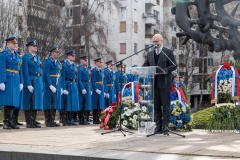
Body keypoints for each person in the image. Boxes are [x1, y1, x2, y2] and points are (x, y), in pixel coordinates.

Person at [142, 34, 177, 133]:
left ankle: (166, 126)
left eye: (156, 41)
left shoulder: (168, 52)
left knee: (165, 106)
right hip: (154, 83)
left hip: (165, 83)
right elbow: (145, 65)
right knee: (156, 106)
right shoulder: (150, 54)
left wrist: (164, 70)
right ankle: (158, 126)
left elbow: (174, 65)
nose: (154, 43)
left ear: (161, 41)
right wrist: (138, 70)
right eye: (153, 42)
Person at [0, 37, 23, 129]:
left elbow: (19, 69)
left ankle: (11, 121)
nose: (15, 45)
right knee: (7, 101)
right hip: (8, 80)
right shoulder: (4, 54)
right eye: (13, 43)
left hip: (16, 80)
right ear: (8, 44)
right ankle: (6, 121)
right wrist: (1, 81)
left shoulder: (17, 56)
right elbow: (1, 68)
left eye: (15, 43)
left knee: (14, 102)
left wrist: (21, 82)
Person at [22, 40, 43, 128]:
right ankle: (28, 121)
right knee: (28, 101)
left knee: (35, 101)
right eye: (33, 45)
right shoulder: (26, 58)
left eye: (36, 45)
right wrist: (28, 84)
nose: (35, 47)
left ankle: (33, 120)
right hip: (30, 81)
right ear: (29, 47)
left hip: (37, 81)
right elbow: (25, 72)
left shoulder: (37, 58)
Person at [43, 47, 63, 127]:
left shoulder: (58, 63)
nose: (58, 53)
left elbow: (59, 75)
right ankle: (47, 120)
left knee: (55, 103)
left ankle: (52, 119)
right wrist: (50, 85)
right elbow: (46, 75)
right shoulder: (47, 62)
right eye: (56, 52)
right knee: (48, 103)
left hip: (57, 84)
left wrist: (60, 86)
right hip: (49, 85)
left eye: (58, 52)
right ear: (52, 53)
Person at [61, 50, 79, 126]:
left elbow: (76, 76)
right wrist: (64, 88)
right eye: (72, 55)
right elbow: (63, 77)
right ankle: (66, 119)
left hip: (73, 85)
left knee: (73, 103)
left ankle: (71, 119)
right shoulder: (65, 65)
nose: (74, 57)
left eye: (74, 55)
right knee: (68, 103)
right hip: (67, 84)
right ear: (68, 56)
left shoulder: (74, 65)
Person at [91, 57, 106, 124]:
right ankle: (95, 119)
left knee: (100, 104)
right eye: (100, 62)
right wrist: (96, 89)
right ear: (96, 63)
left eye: (101, 62)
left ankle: (99, 118)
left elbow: (103, 81)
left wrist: (104, 90)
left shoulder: (100, 71)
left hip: (101, 87)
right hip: (96, 88)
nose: (101, 63)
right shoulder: (94, 70)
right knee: (95, 103)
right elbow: (92, 80)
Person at [78, 56, 92, 125]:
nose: (86, 61)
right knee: (81, 103)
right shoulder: (80, 69)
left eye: (86, 60)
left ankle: (85, 118)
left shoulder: (86, 69)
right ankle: (81, 119)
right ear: (81, 60)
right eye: (85, 60)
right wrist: (82, 88)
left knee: (86, 103)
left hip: (87, 85)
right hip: (83, 86)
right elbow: (79, 79)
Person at [14, 51, 23, 126]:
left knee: (17, 103)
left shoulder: (19, 63)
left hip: (18, 82)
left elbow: (21, 73)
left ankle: (15, 120)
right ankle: (11, 120)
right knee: (12, 103)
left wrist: (21, 82)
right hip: (13, 81)